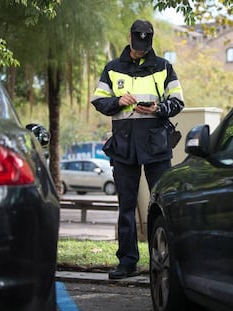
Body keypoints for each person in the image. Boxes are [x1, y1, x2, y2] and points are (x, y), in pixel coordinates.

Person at [91, 19, 184, 279]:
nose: (141, 49)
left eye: (146, 44)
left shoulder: (164, 67)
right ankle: (128, 262)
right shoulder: (112, 68)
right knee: (126, 207)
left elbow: (178, 102)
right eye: (138, 43)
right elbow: (99, 101)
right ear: (130, 37)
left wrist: (158, 109)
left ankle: (166, 261)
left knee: (163, 205)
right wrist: (118, 101)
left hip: (156, 146)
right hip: (124, 146)